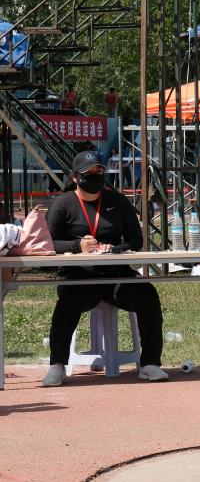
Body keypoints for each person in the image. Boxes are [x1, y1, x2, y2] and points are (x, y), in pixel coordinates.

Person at [41, 151, 169, 387]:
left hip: (116, 276)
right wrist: (77, 246)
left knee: (147, 294)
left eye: (99, 171)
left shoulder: (117, 201)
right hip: (79, 277)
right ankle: (57, 365)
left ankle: (150, 363)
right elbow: (47, 244)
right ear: (75, 177)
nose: (95, 176)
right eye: (88, 173)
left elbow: (136, 240)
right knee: (67, 304)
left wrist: (117, 249)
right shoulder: (63, 204)